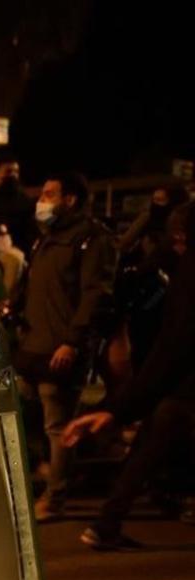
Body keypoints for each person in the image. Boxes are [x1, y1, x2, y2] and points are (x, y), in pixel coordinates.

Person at [63, 206, 194, 549]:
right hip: (182, 391)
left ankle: (107, 523)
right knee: (151, 443)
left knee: (148, 446)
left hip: (182, 390)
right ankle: (108, 523)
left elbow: (173, 347)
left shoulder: (186, 276)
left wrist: (119, 408)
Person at [12, 172, 116, 522]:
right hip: (33, 346)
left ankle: (55, 498)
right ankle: (48, 472)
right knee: (25, 414)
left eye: (49, 194)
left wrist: (72, 342)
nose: (41, 200)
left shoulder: (91, 239)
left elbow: (94, 294)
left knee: (58, 426)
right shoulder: (47, 239)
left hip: (60, 349)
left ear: (70, 200)